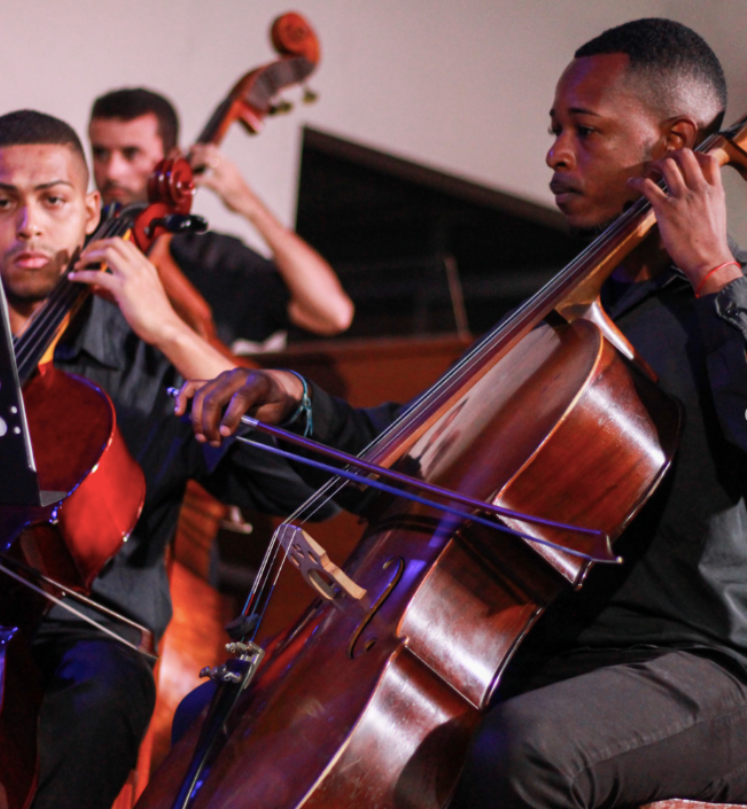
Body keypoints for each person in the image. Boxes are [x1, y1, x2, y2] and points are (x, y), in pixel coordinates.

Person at [177, 18, 747, 807]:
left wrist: (715, 274)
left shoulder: (731, 300)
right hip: (536, 658)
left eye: (585, 130)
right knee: (223, 710)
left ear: (675, 140)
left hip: (699, 668)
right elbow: (414, 452)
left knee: (528, 751)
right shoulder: (565, 317)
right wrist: (295, 400)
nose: (555, 151)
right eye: (556, 129)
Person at [0, 109, 329, 809]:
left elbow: (297, 483)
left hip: (89, 635)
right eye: (1, 202)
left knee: (100, 696)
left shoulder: (148, 361)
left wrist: (167, 329)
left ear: (92, 210)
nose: (29, 225)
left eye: (53, 199)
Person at [88, 87, 354, 348]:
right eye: (100, 153)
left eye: (131, 153)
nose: (112, 171)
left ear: (172, 159)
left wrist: (249, 205)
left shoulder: (210, 257)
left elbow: (331, 313)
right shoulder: (75, 243)